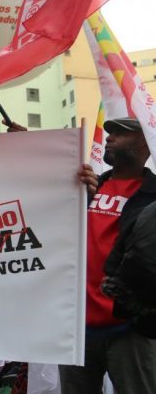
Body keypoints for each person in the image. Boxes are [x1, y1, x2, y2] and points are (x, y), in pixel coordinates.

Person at [59, 117, 156, 393]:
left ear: (144, 144)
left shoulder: (153, 195)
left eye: (121, 133)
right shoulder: (85, 188)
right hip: (77, 328)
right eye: (110, 132)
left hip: (130, 328)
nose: (110, 137)